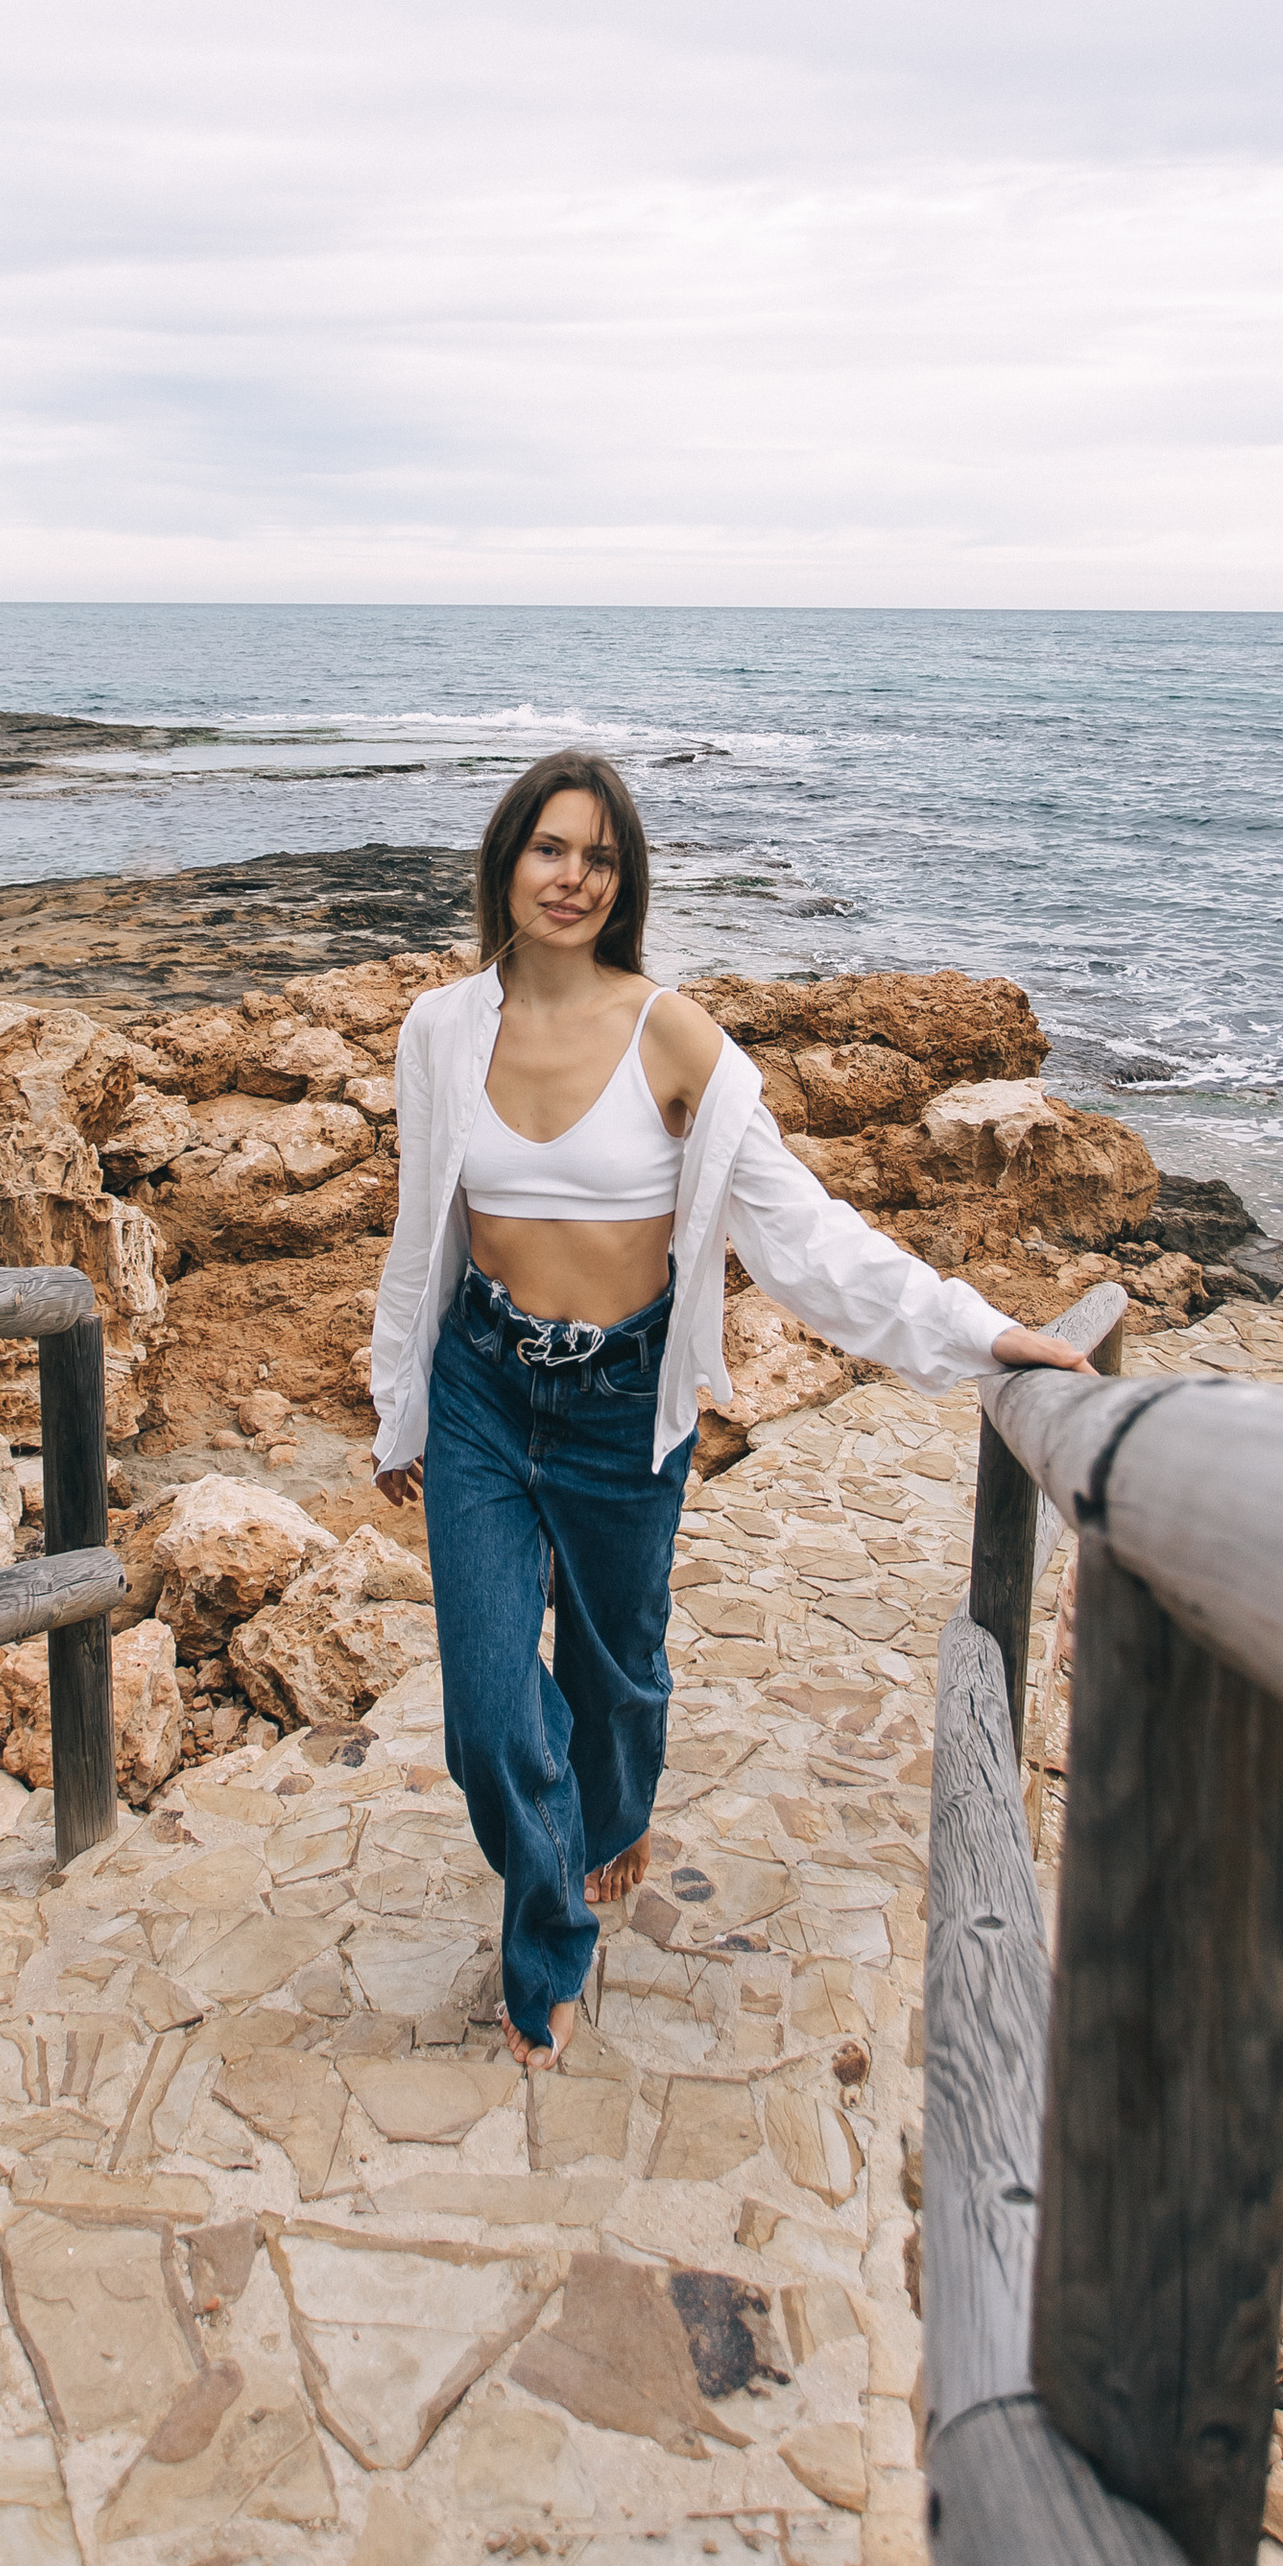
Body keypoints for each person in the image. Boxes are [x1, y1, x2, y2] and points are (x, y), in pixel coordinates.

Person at [371, 746, 1098, 2070]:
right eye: (550, 847)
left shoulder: (674, 1035)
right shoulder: (439, 1029)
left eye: (598, 854)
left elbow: (804, 1236)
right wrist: (397, 1405)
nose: (572, 876)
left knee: (619, 1673)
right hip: (480, 1386)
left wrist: (977, 1333)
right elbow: (421, 1231)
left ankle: (612, 1809)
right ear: (506, 860)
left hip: (616, 1406)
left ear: (625, 879)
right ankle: (547, 1944)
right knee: (488, 1716)